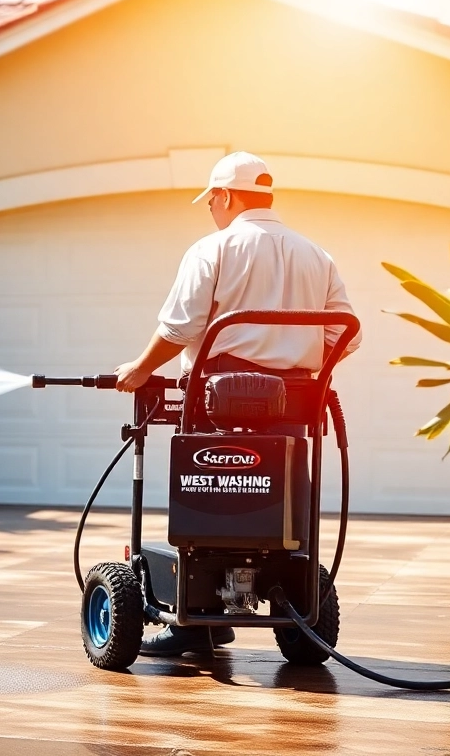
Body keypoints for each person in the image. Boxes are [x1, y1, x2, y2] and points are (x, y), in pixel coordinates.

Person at [113, 151, 361, 657]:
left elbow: (180, 328)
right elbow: (346, 336)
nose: (210, 211)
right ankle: (294, 606)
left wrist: (139, 369)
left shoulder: (214, 248)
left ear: (225, 196)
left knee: (212, 497)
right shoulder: (316, 255)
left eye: (212, 202)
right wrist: (298, 361)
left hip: (218, 405)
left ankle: (195, 623)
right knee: (282, 506)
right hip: (292, 410)